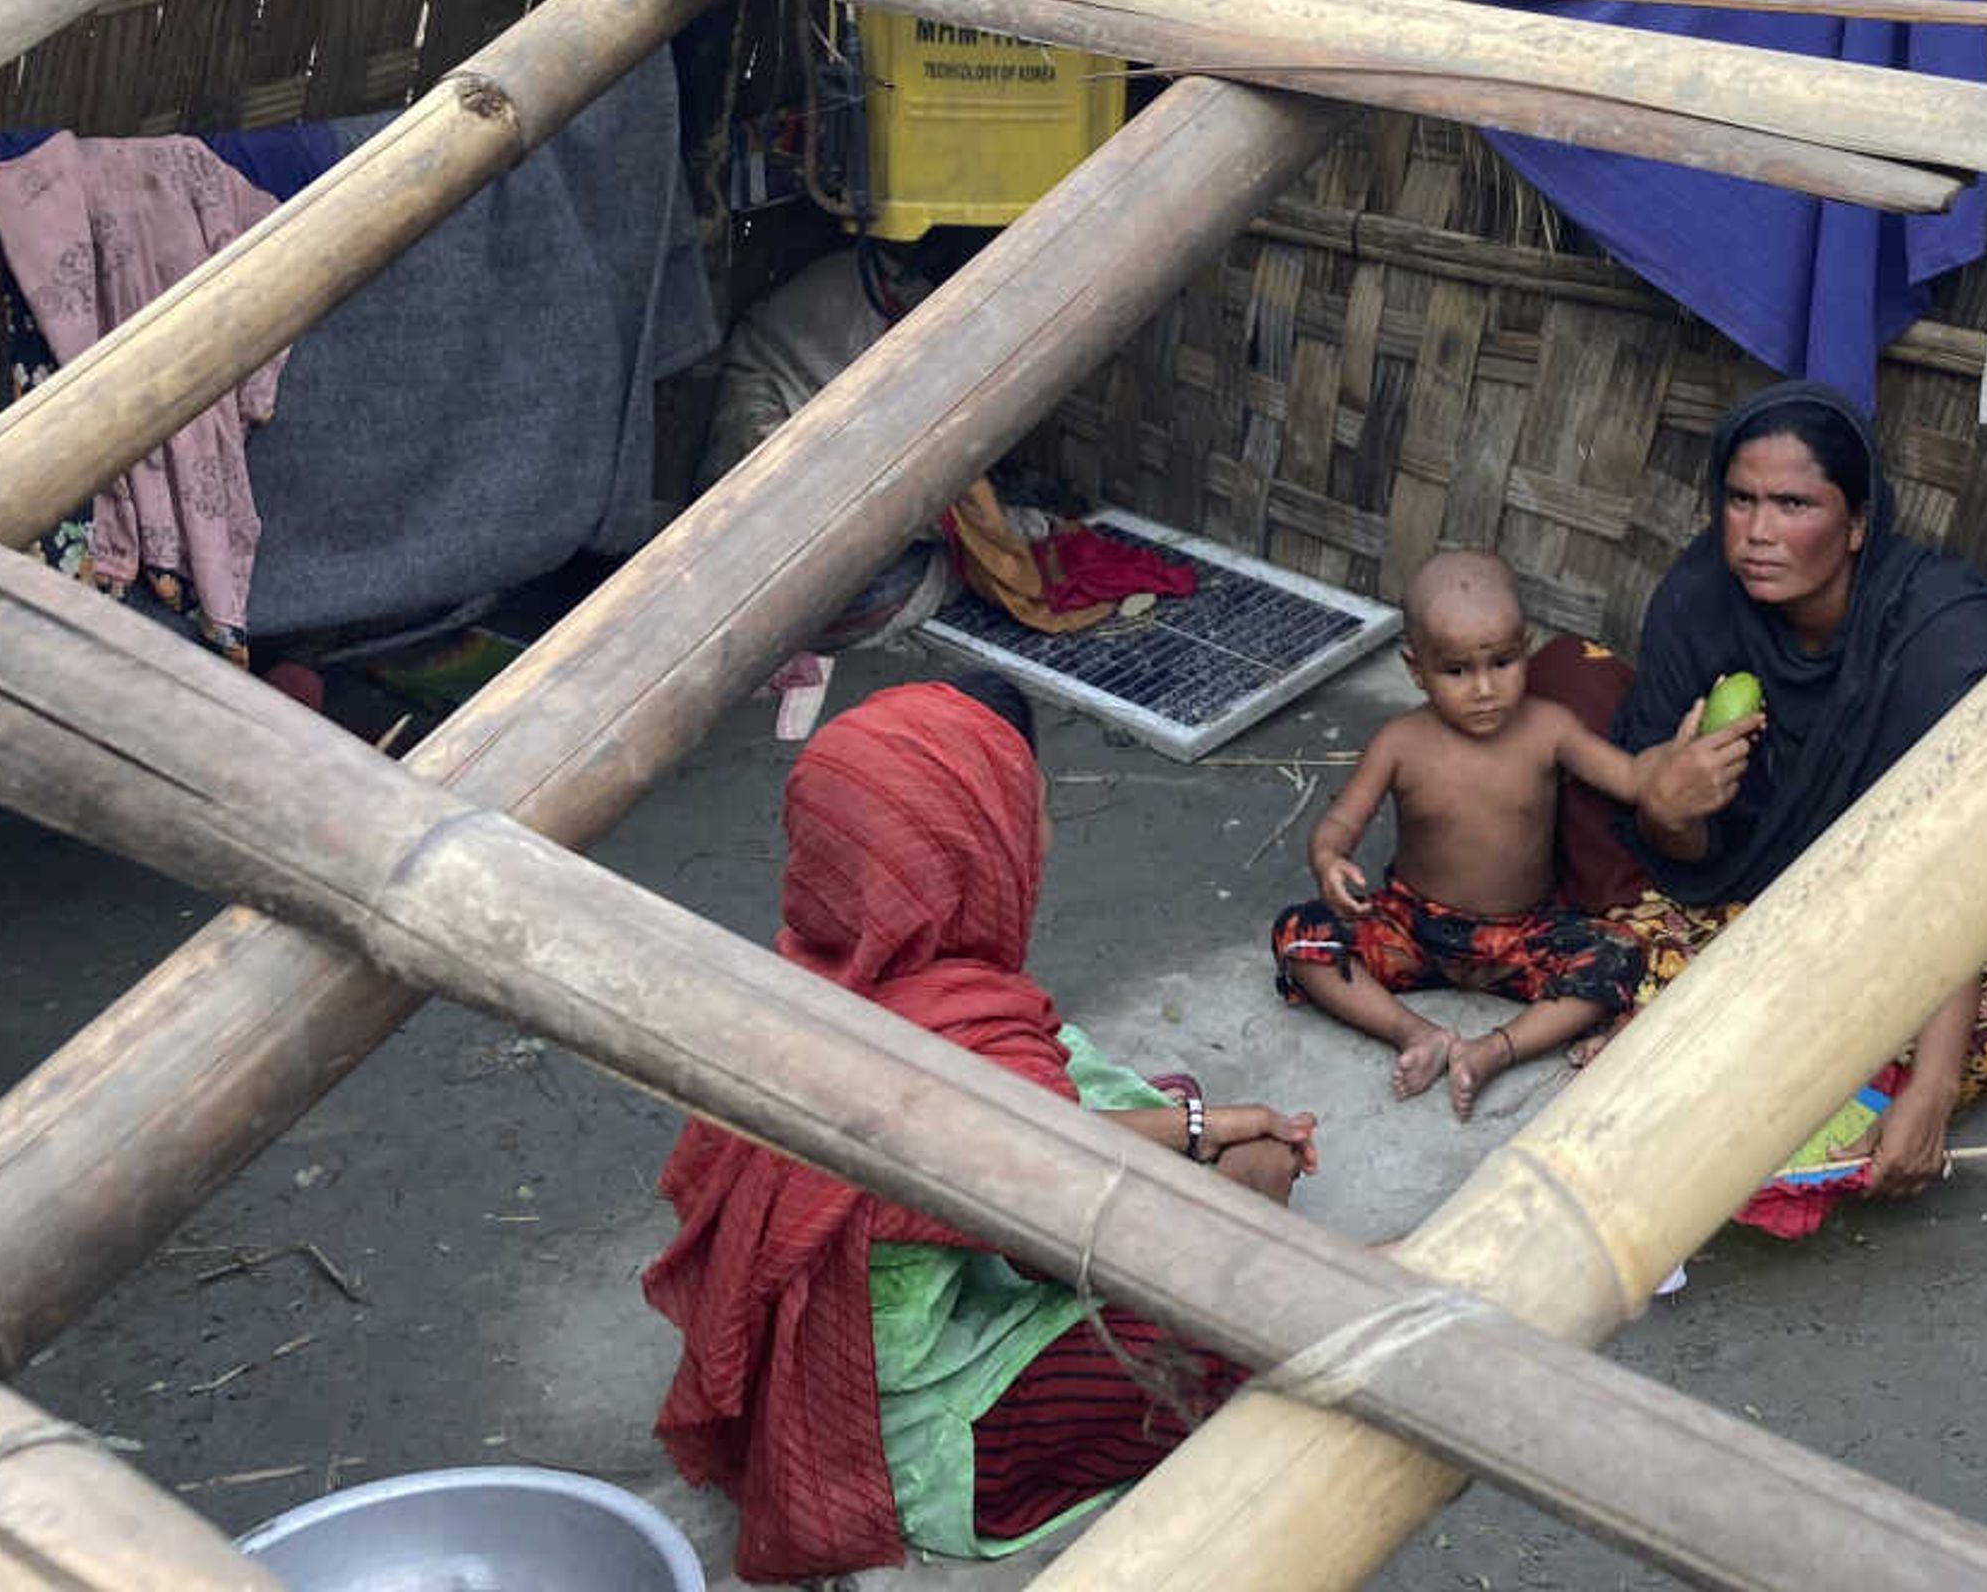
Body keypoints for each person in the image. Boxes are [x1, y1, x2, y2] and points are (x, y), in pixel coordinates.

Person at [645, 677, 1318, 1579]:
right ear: (969, 853)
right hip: (922, 1452)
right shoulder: (969, 1071)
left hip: (844, 1358)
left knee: (1160, 1103)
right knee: (1243, 1296)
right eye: (1026, 814)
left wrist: (1201, 1125)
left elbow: (1045, 1116)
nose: (1040, 839)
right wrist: (1237, 1150)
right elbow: (1067, 1241)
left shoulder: (808, 982)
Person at [1613, 380, 1987, 1200]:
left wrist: (1935, 1085)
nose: (1757, 532)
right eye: (1739, 499)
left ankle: (1865, 1097)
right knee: (1611, 954)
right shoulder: (1697, 603)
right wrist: (1669, 808)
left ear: (1858, 523)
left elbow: (1971, 861)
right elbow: (1684, 859)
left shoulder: (1945, 633)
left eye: (1793, 503)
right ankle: (1816, 1077)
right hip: (1749, 909)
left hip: (1913, 920)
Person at [1271, 549, 1654, 1117]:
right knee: (1300, 934)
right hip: (1412, 927)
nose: (1483, 689)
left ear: (1524, 648)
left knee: (1619, 955)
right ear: (1415, 669)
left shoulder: (1550, 728)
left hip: (1524, 934)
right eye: (1455, 671)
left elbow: (1631, 778)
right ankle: (1415, 1034)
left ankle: (1495, 1051)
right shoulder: (1400, 742)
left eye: (1501, 663)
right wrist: (1330, 859)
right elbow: (1343, 821)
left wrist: (1678, 765)